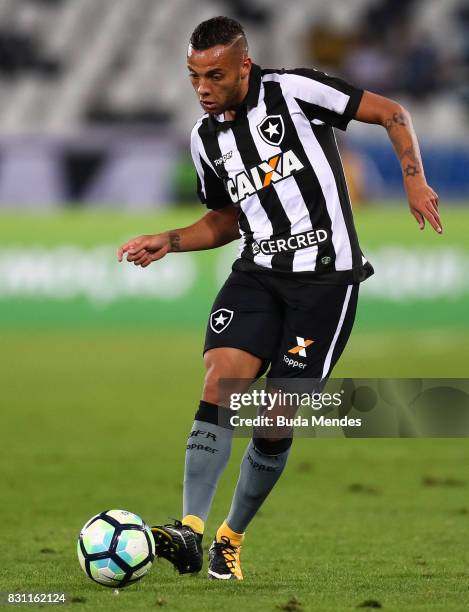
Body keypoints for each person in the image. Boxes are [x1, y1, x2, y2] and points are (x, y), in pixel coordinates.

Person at [117, 16, 441, 581]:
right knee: (220, 381)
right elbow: (225, 219)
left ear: (244, 65)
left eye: (214, 75)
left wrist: (413, 179)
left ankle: (229, 538)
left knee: (273, 416)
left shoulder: (294, 90)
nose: (202, 88)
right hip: (258, 273)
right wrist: (168, 241)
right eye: (193, 76)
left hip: (325, 281)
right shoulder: (205, 138)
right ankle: (189, 532)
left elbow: (393, 113)